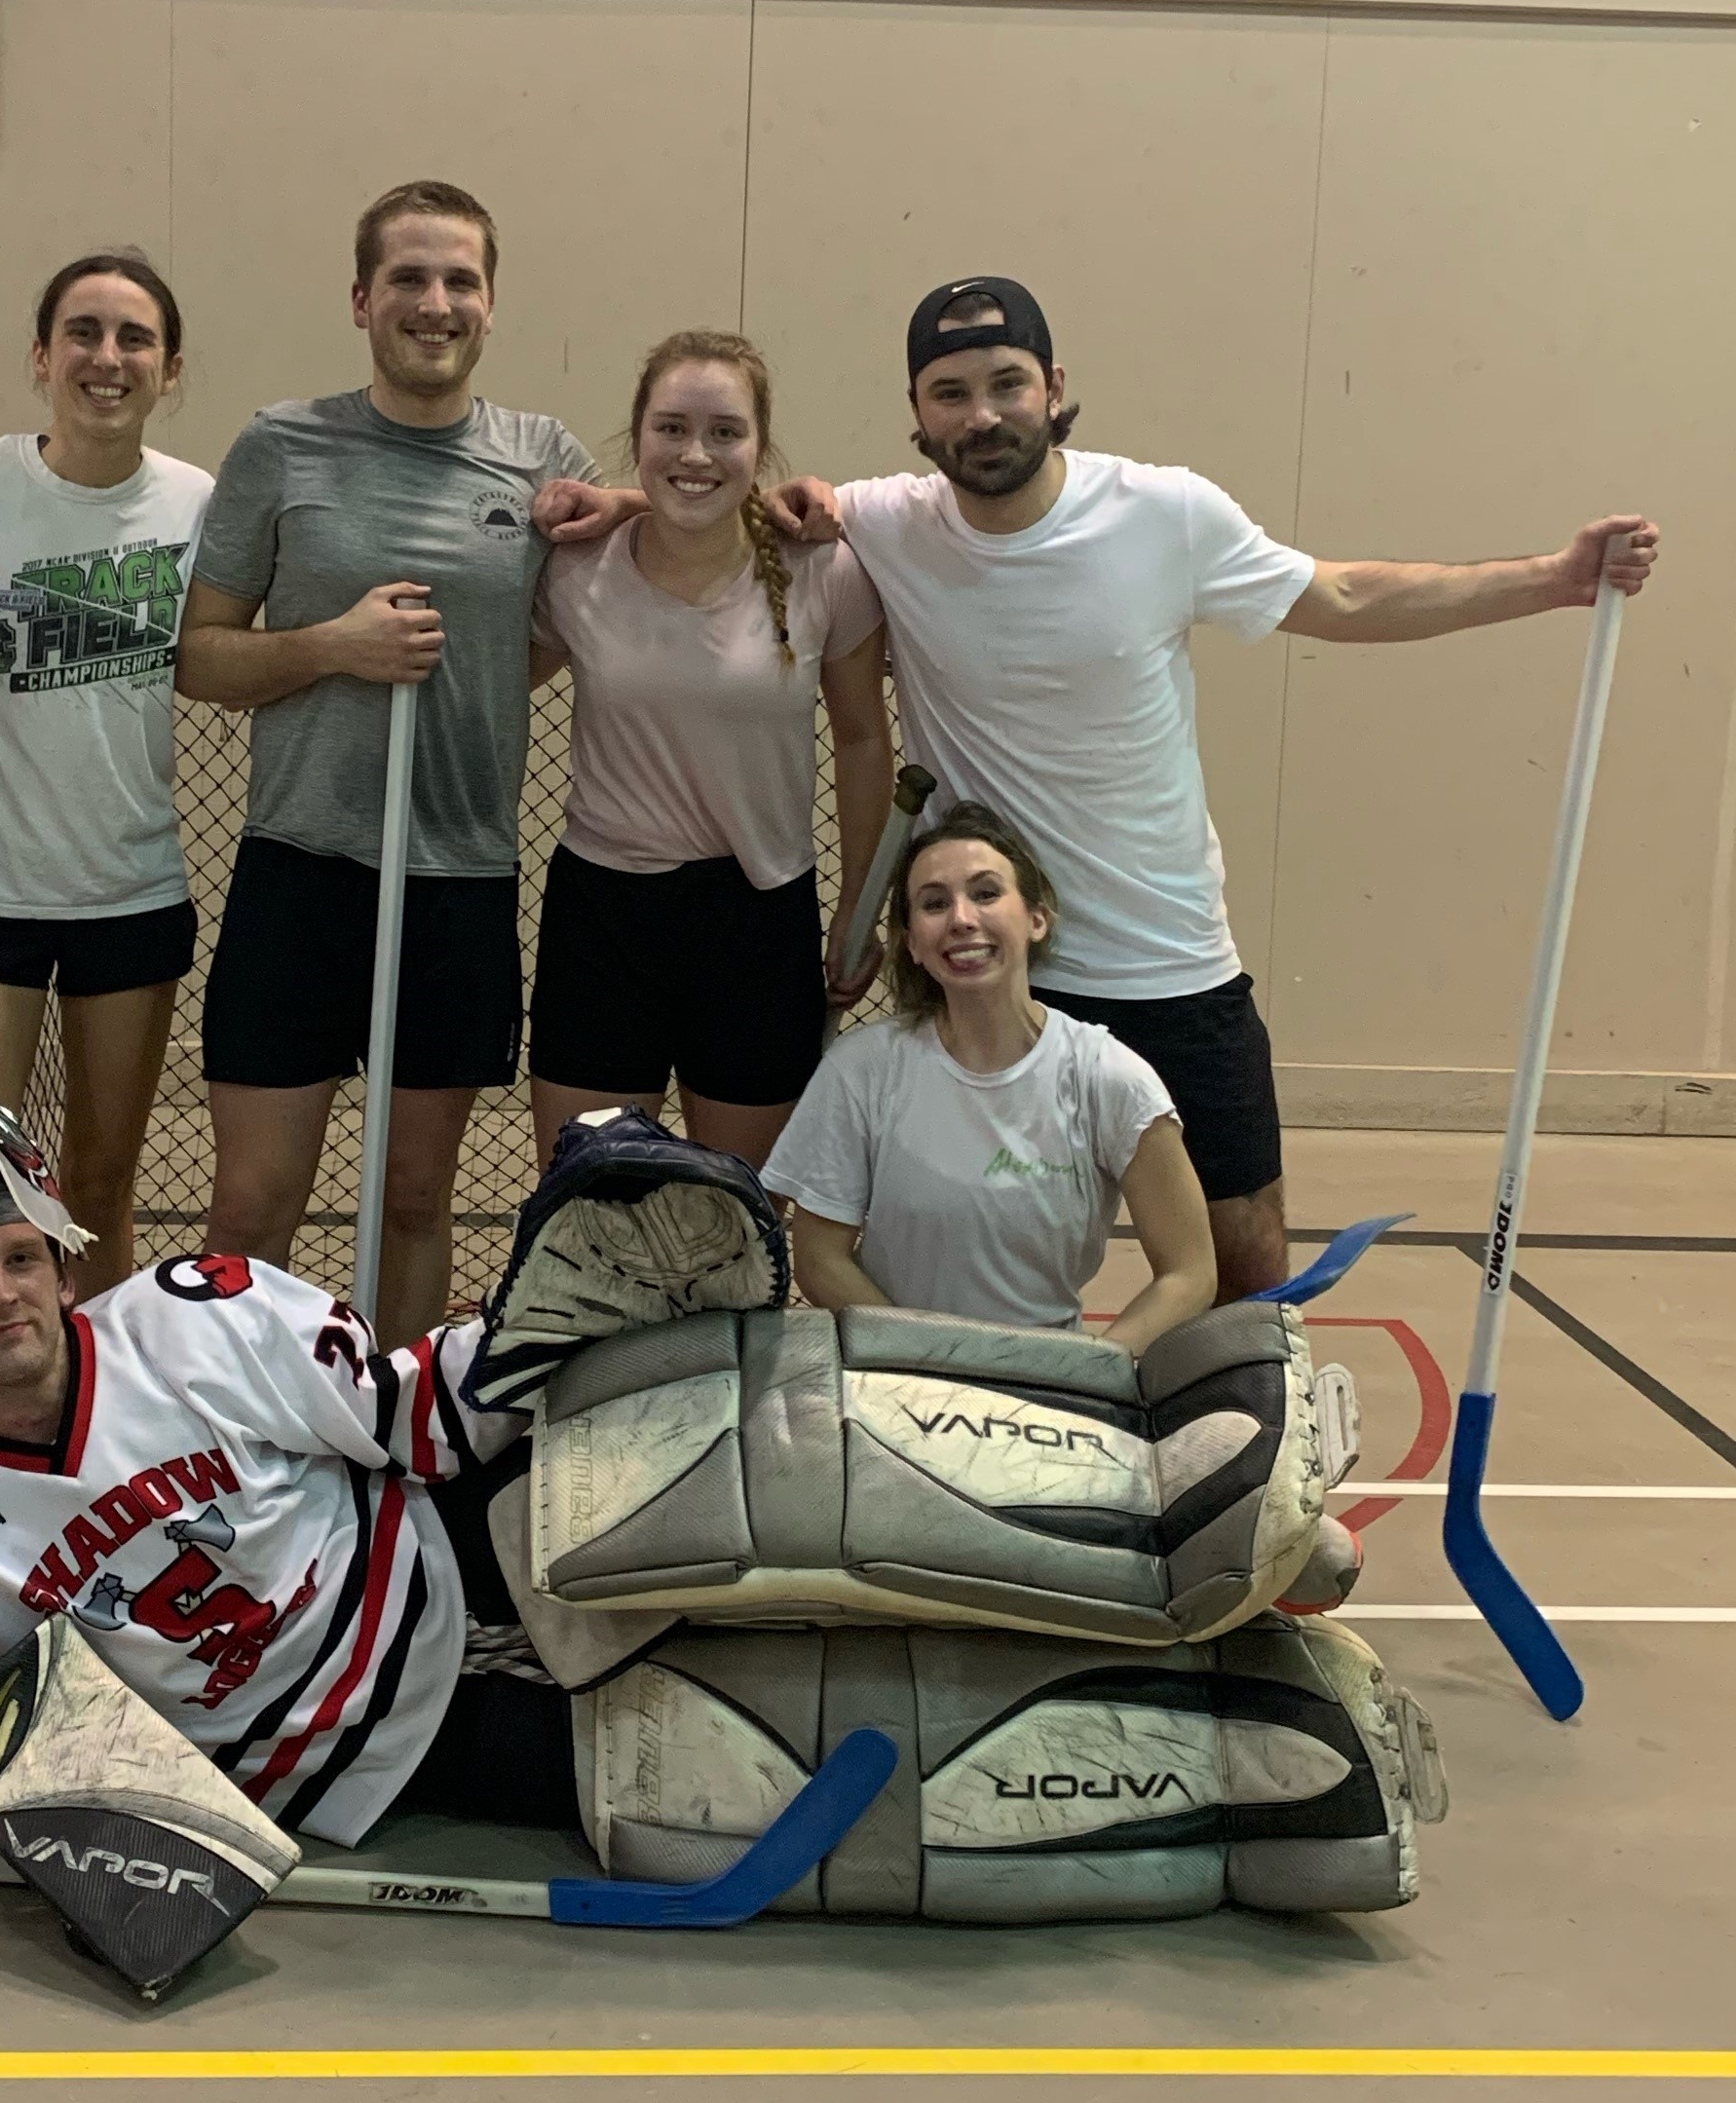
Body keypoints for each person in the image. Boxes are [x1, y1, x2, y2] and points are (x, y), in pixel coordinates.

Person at [716, 274, 1660, 1302]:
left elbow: (1342, 595)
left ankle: (1227, 1457)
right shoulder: (888, 522)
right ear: (917, 413)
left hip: (1169, 961)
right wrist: (614, 501)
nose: (982, 415)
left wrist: (1557, 578)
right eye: (950, 392)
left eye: (1006, 383)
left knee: (1244, 1268)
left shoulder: (1164, 512)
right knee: (955, 1263)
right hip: (995, 968)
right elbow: (721, 505)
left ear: (1054, 385)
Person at [0, 1097, 575, 1846]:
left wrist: (543, 1313)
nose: (2, 1293)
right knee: (672, 1779)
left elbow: (406, 1412)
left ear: (66, 1274)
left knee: (648, 1481)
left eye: (21, 1258)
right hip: (353, 1751)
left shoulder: (192, 1312)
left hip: (437, 1551)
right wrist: (58, 1793)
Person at [175, 180, 595, 1337]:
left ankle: (397, 1450)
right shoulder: (282, 444)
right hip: (301, 869)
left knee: (416, 1199)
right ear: (362, 300)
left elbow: (571, 620)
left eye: (460, 279)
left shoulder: (537, 457)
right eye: (408, 277)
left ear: (491, 306)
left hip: (458, 876)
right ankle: (232, 1443)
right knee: (257, 1200)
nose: (435, 301)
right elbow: (201, 657)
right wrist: (333, 648)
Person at [0, 250, 210, 1302]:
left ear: (169, 371)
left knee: (98, 1182)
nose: (108, 356)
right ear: (42, 356)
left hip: (131, 896)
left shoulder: (196, 505)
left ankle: (94, 1427)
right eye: (83, 332)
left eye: (135, 339)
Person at [527, 329, 891, 1172]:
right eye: (672, 428)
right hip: (603, 918)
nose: (697, 453)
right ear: (638, 436)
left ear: (761, 448)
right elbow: (496, 686)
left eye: (726, 432)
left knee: (744, 1207)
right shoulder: (575, 568)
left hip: (757, 923)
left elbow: (864, 738)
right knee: (587, 1205)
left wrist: (858, 907)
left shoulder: (821, 571)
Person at [765, 800, 1217, 1350]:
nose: (961, 919)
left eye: (985, 893)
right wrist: (927, 1355)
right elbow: (819, 1258)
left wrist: (1096, 1368)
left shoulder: (1110, 1077)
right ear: (912, 941)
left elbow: (1189, 1273)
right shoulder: (861, 1069)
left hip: (1047, 1381)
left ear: (1036, 918)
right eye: (934, 903)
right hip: (893, 1372)